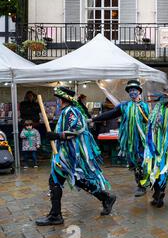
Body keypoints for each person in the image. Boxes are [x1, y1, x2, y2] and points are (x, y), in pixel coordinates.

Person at [35, 87, 116, 226]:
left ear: (62, 100)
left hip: (70, 154)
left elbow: (77, 130)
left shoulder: (71, 111)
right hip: (66, 153)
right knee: (76, 180)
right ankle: (106, 197)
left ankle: (56, 215)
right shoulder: (68, 111)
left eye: (58, 99)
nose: (57, 101)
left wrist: (56, 136)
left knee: (56, 180)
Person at [91, 80, 150, 197]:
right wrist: (94, 119)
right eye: (130, 90)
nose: (132, 92)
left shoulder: (145, 107)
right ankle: (140, 185)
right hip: (130, 141)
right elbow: (111, 114)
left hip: (142, 141)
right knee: (134, 163)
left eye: (134, 90)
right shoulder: (124, 106)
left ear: (139, 92)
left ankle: (144, 184)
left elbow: (151, 122)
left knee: (142, 161)